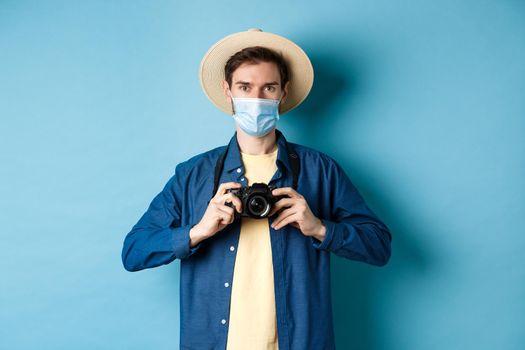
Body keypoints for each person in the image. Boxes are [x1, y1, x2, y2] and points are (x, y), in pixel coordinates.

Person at [121, 28, 392, 350]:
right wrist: (197, 231)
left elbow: (379, 246)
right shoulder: (195, 174)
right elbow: (134, 252)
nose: (257, 99)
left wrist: (319, 228)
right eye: (245, 87)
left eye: (269, 88)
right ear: (228, 90)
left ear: (283, 92)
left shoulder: (319, 170)